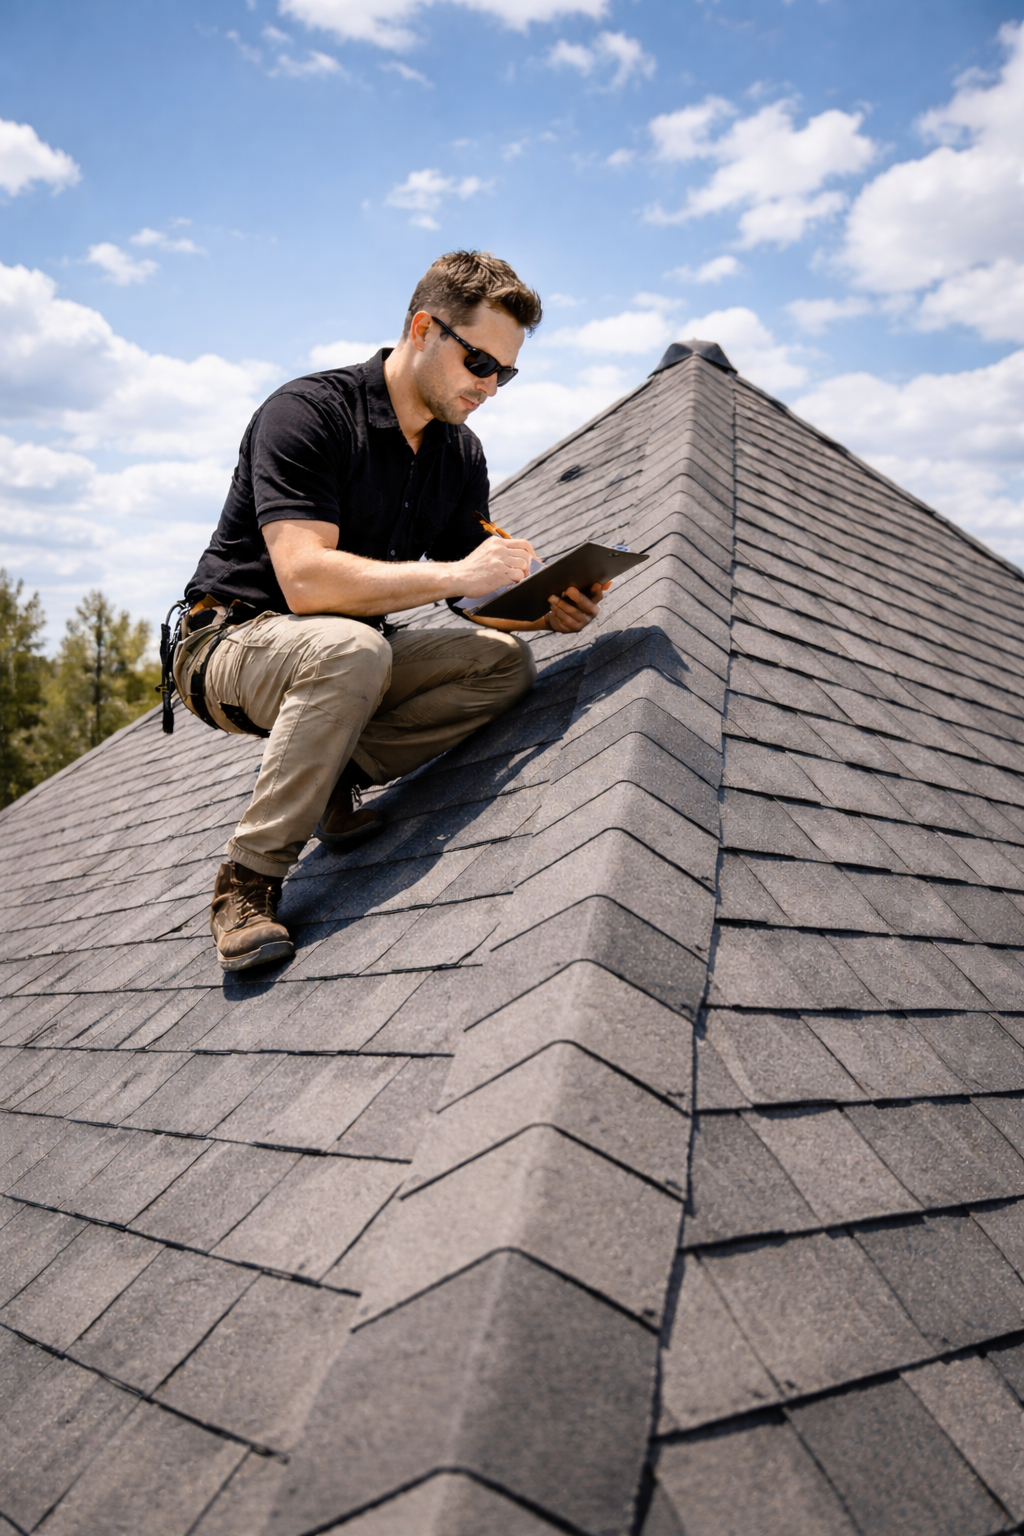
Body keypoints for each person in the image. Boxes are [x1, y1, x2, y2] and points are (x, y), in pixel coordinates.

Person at [174, 250, 607, 971]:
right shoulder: (307, 414)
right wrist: (454, 572)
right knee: (353, 649)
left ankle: (331, 775)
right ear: (422, 329)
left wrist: (544, 610)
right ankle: (246, 881)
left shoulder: (458, 455)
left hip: (344, 655)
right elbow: (306, 581)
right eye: (479, 363)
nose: (492, 387)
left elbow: (472, 595)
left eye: (507, 372)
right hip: (230, 644)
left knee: (503, 666)